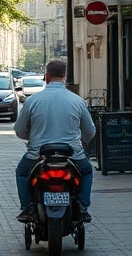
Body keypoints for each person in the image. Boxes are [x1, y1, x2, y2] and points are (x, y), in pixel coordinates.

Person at [14, 59, 96, 223]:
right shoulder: (77, 101)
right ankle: (82, 207)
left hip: (39, 154)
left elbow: (20, 129)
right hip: (72, 154)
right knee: (86, 172)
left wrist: (30, 138)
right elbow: (89, 131)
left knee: (22, 173)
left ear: (46, 76)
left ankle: (28, 207)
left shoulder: (33, 101)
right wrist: (82, 142)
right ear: (64, 76)